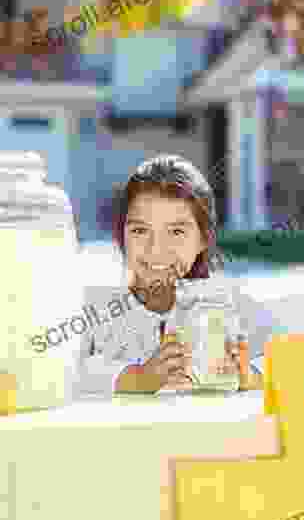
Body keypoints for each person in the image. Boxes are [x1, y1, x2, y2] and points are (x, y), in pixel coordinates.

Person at [77, 155, 277, 396]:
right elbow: (64, 372)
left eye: (176, 231)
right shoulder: (92, 312)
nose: (156, 249)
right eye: (140, 230)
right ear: (121, 235)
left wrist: (249, 376)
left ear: (203, 238)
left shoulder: (235, 307)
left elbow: (294, 364)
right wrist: (137, 379)